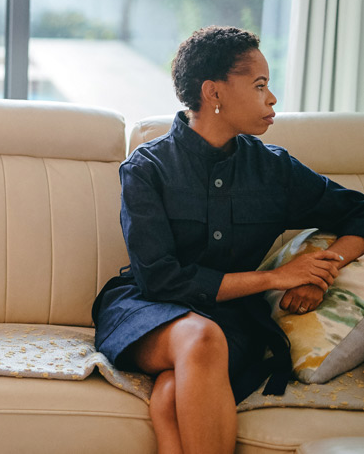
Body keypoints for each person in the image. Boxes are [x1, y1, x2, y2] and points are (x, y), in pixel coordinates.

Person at [91, 26, 364, 454]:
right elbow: (159, 279)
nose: (272, 98)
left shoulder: (274, 170)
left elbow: (359, 211)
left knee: (170, 395)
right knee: (200, 339)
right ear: (213, 92)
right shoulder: (148, 168)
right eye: (259, 86)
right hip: (146, 310)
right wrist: (277, 279)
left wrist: (320, 271)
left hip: (233, 323)